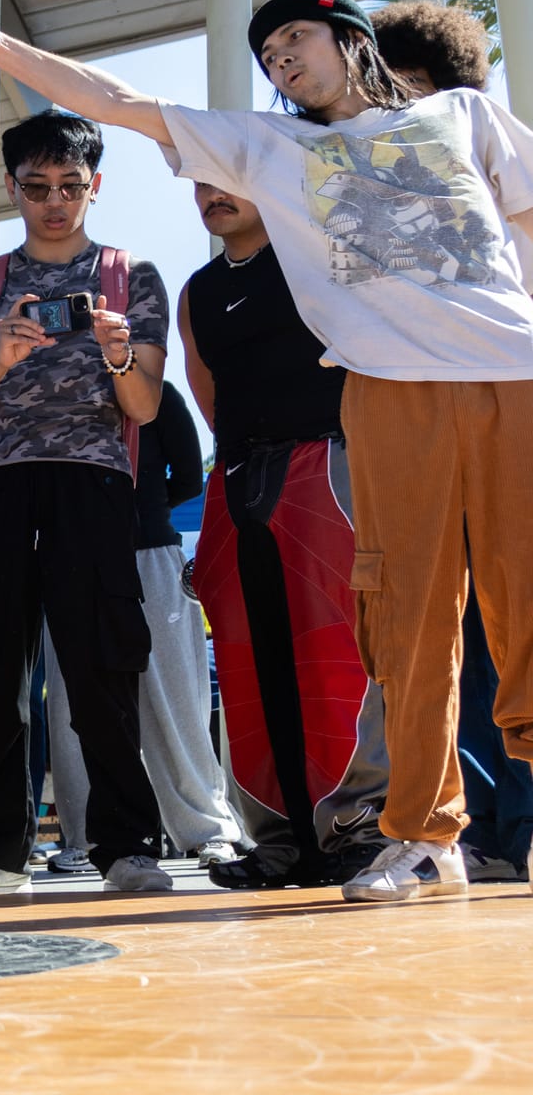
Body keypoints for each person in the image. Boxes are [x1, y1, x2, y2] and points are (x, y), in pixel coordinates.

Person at [0, 0, 533, 903]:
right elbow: (121, 103)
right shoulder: (273, 148)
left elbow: (527, 220)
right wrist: (2, 48)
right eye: (269, 54)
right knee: (408, 623)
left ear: (352, 38)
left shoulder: (463, 114)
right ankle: (426, 835)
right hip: (389, 392)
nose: (281, 58)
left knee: (528, 600)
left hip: (513, 374)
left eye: (296, 36)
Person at [0, 109, 172, 895]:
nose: (55, 202)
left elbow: (144, 406)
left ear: (96, 185)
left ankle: (128, 846)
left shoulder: (132, 276)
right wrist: (0, 356)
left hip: (92, 483)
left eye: (71, 185)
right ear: (12, 188)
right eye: (37, 187)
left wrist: (120, 355)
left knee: (103, 668)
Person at [177, 181, 389, 889]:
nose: (213, 192)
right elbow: (208, 394)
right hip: (239, 475)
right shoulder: (198, 292)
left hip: (326, 460)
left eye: (228, 176)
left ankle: (360, 829)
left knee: (340, 652)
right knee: (244, 663)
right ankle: (278, 842)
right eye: (200, 180)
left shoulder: (320, 256)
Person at [366, 2, 529, 882]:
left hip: (509, 394)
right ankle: (438, 834)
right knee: (417, 632)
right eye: (384, 89)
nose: (398, 106)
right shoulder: (360, 176)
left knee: (521, 619)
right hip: (406, 414)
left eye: (412, 86)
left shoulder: (484, 137)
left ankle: (510, 831)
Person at [43, 382, 246, 869]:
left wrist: (139, 513)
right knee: (73, 703)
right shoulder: (49, 391)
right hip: (72, 561)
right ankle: (85, 838)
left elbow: (189, 480)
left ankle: (206, 828)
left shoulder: (158, 393)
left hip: (151, 552)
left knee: (176, 697)